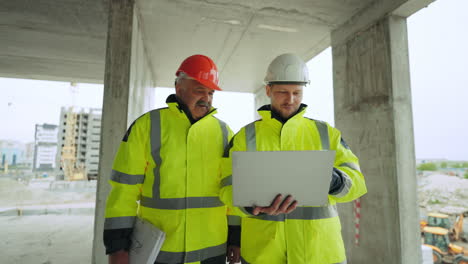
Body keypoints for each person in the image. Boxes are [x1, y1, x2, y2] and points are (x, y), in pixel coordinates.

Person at [221, 53, 367, 264]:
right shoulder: (245, 137)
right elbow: (226, 189)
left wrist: (335, 180)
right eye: (282, 92)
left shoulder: (326, 133)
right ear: (268, 90)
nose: (290, 100)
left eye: (297, 93)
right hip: (264, 255)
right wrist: (250, 206)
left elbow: (358, 182)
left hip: (320, 254)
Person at [103, 54, 234, 264]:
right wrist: (117, 246)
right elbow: (123, 191)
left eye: (210, 92)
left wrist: (235, 238)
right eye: (199, 90)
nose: (206, 98)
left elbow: (232, 191)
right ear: (179, 88)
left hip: (211, 253)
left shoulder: (225, 132)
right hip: (160, 252)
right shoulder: (147, 126)